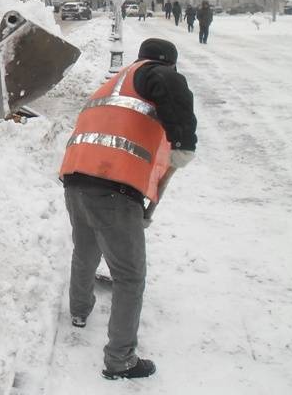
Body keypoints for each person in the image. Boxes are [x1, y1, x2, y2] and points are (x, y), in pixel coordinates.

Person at [59, 38, 197, 380]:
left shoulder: (115, 84)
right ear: (166, 63)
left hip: (76, 178)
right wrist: (184, 141)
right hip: (112, 188)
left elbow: (130, 142)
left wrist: (144, 203)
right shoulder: (157, 74)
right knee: (130, 277)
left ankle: (79, 310)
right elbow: (169, 86)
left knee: (86, 249)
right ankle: (120, 360)